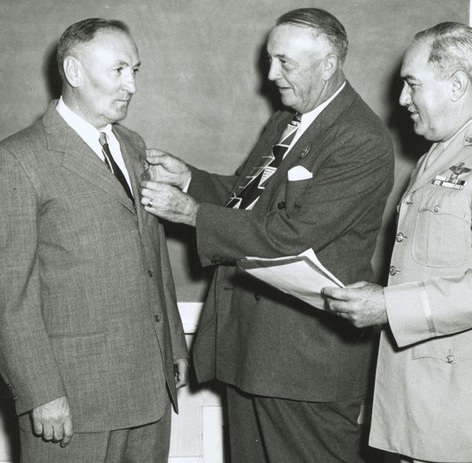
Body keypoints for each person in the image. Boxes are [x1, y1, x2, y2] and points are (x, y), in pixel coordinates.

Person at [139, 7, 394, 462]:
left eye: (285, 63)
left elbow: (290, 236)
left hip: (304, 365)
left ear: (329, 64)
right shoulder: (286, 120)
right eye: (270, 59)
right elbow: (246, 198)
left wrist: (193, 213)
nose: (271, 74)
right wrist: (190, 181)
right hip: (251, 351)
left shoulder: (361, 138)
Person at [323, 22, 472, 463]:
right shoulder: (441, 156)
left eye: (412, 85)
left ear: (456, 85)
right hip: (427, 410)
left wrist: (389, 306)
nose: (402, 100)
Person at [0, 18, 188, 463]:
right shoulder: (14, 160)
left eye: (135, 70)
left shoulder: (132, 145)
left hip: (149, 388)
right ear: (73, 72)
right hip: (73, 402)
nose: (131, 84)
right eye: (119, 70)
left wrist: (174, 347)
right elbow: (4, 294)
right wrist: (40, 393)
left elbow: (153, 255)